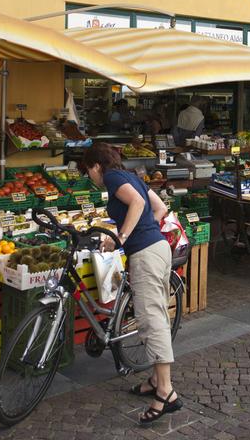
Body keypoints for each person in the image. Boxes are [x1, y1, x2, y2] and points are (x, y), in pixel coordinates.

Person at [82, 142, 183, 424]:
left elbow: (138, 204)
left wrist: (123, 237)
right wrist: (142, 231)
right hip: (159, 248)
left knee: (151, 321)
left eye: (88, 170)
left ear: (96, 165)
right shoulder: (132, 176)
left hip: (145, 254)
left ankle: (166, 393)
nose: (90, 176)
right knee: (158, 314)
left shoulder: (112, 178)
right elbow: (160, 208)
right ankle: (154, 380)